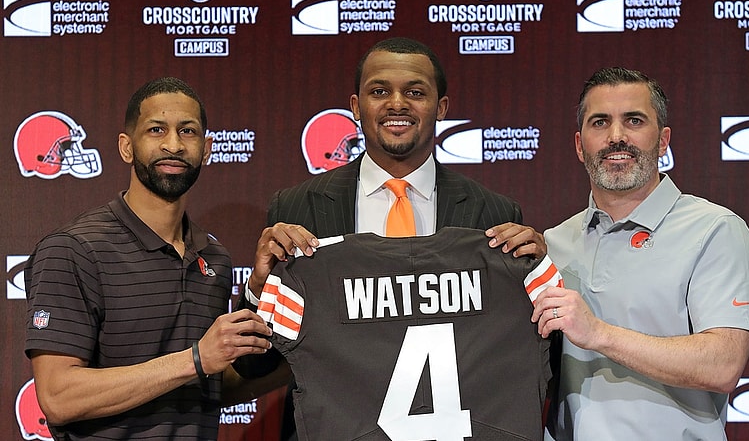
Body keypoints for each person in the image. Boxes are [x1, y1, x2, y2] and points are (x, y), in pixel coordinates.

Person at [234, 37, 547, 440]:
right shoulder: (297, 209)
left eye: (415, 92)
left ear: (441, 107)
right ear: (355, 106)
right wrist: (259, 291)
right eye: (379, 91)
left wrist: (537, 278)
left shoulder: (496, 216)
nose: (396, 104)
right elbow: (254, 366)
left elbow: (516, 364)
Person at [24, 77, 285, 441]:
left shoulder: (214, 258)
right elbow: (58, 396)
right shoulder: (73, 249)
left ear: (207, 149)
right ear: (126, 147)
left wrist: (314, 355)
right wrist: (196, 359)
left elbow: (210, 388)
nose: (174, 144)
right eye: (157, 129)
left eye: (188, 131)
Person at [532, 67, 749, 440]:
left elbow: (723, 365)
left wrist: (598, 333)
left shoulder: (715, 229)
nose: (616, 137)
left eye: (634, 120)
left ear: (663, 140)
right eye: (600, 122)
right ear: (579, 145)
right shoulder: (554, 243)